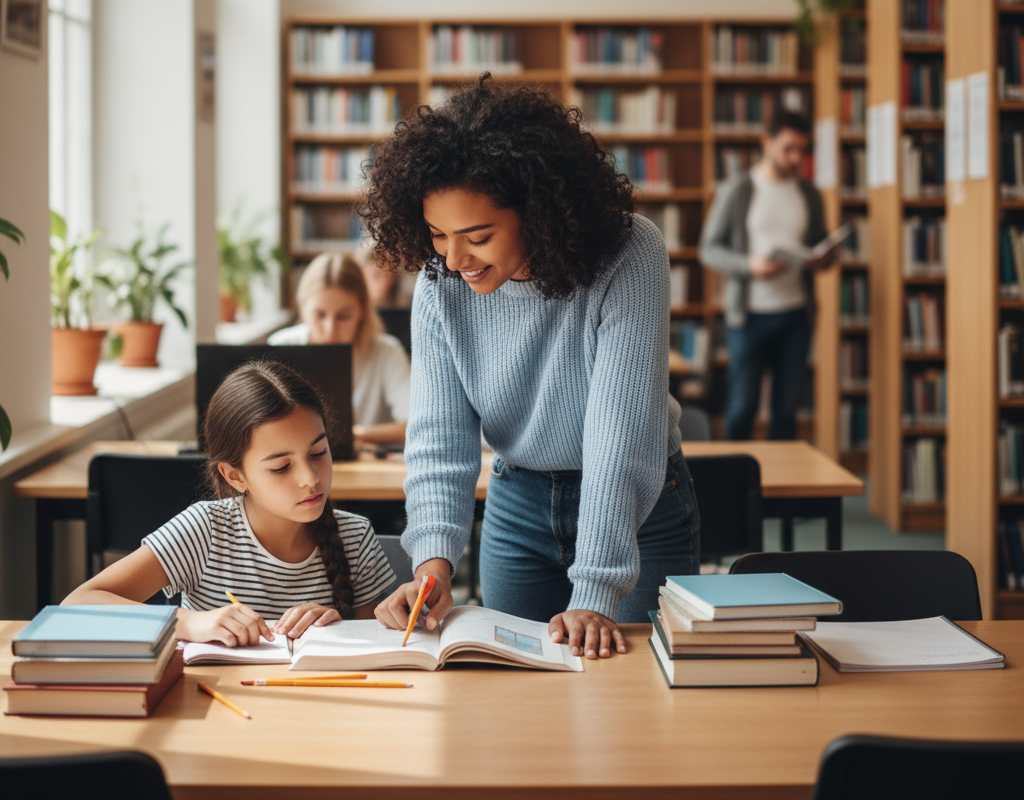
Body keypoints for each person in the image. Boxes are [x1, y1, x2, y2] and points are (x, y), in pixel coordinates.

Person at [361, 79, 700, 661]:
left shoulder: (628, 252)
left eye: (478, 237)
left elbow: (622, 434)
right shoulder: (441, 284)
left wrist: (595, 588)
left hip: (639, 509)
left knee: (637, 696)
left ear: (539, 212)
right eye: (438, 235)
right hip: (518, 504)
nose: (453, 259)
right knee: (517, 700)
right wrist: (432, 564)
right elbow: (441, 440)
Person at [62, 360, 397, 645]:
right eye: (281, 467)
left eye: (318, 453)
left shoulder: (355, 536)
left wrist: (339, 626)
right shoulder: (204, 531)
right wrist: (189, 623)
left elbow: (376, 645)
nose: (310, 478)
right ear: (235, 477)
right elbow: (78, 604)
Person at [699, 109, 833, 441]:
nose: (795, 158)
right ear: (766, 142)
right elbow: (709, 248)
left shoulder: (809, 194)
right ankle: (733, 488)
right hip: (749, 317)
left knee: (786, 413)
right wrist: (749, 266)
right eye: (788, 148)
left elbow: (822, 245)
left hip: (796, 314)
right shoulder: (738, 190)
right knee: (742, 408)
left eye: (802, 150)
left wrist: (823, 258)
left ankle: (780, 490)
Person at [269, 252, 410, 451]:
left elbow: (417, 425)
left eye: (344, 316)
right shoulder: (279, 347)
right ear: (303, 308)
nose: (331, 329)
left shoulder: (387, 352)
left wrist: (355, 435)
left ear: (362, 309)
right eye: (320, 315)